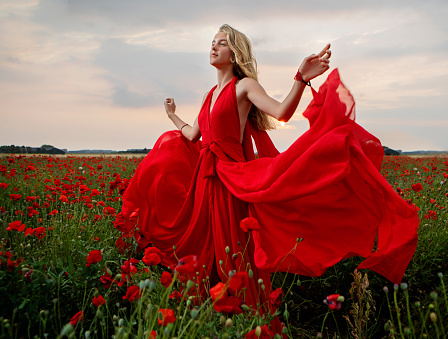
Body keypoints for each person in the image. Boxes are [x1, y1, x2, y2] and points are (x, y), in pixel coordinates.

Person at [117, 24, 419, 323]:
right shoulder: (209, 95)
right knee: (204, 245)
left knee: (234, 250)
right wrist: (173, 116)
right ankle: (212, 315)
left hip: (229, 179)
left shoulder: (244, 86)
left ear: (235, 53)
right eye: (212, 42)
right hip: (205, 180)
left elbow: (282, 112)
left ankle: (249, 317)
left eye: (221, 43)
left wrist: (300, 78)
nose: (213, 47)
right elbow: (193, 134)